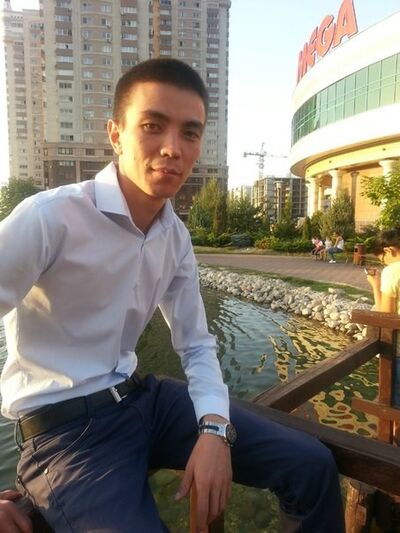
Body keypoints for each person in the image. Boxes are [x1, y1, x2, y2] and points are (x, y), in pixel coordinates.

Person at [0, 58, 345, 532]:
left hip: (144, 401)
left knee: (312, 466)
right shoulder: (49, 218)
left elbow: (197, 344)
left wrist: (214, 428)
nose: (172, 148)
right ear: (116, 134)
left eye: (190, 133)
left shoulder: (174, 236)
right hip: (65, 435)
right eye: (152, 126)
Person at [365, 228, 400, 443]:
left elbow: (385, 318)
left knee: (395, 413)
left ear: (388, 250)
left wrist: (375, 287)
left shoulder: (393, 271)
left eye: (382, 259)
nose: (384, 264)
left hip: (399, 351)